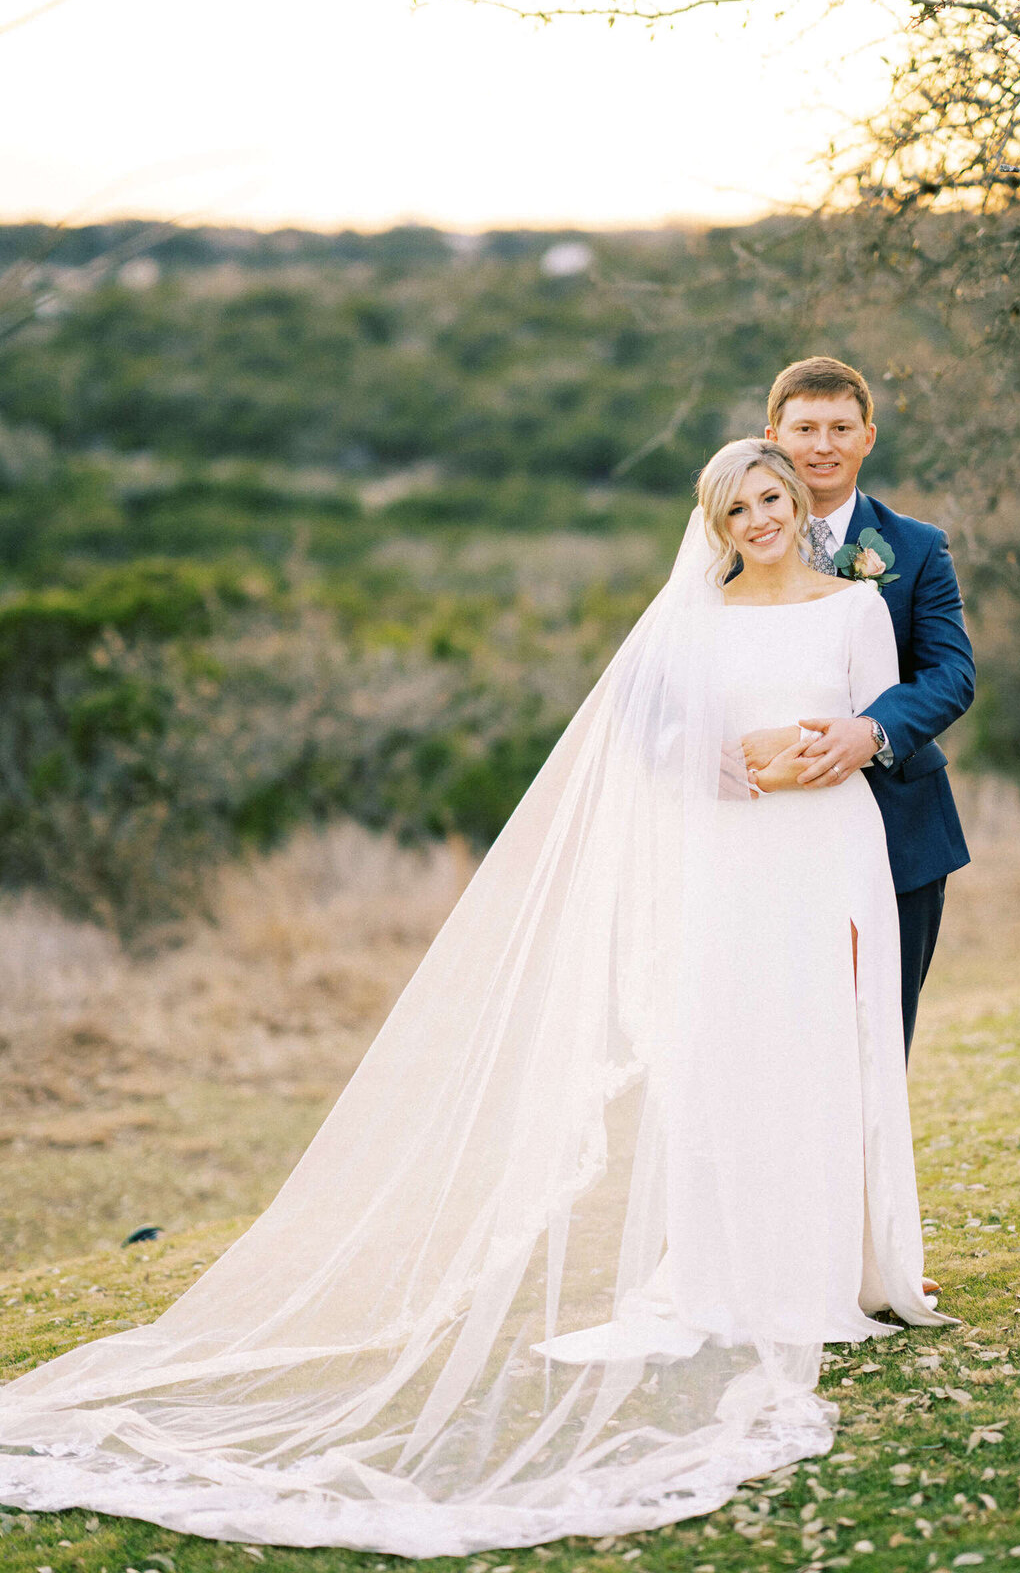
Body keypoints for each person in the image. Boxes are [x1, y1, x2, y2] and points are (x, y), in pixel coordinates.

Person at [0, 439, 950, 1560]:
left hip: (828, 852)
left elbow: (866, 725)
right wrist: (744, 759)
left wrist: (832, 749)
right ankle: (725, 1273)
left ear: (801, 503)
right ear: (716, 519)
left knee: (819, 1054)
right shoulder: (697, 616)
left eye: (773, 499)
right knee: (725, 1058)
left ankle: (831, 1268)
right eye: (738, 505)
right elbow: (670, 752)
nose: (759, 518)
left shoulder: (854, 609)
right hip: (734, 856)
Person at [740, 358, 975, 1062]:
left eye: (841, 427)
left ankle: (870, 1178)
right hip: (766, 834)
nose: (822, 445)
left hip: (898, 829)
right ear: (773, 435)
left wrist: (871, 731)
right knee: (774, 1044)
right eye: (805, 427)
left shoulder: (916, 547)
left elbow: (952, 673)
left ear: (868, 437)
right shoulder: (730, 545)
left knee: (873, 1044)